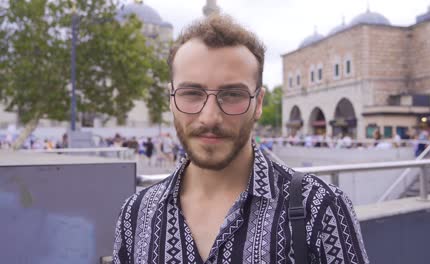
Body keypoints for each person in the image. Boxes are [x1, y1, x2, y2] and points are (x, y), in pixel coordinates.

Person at [113, 15, 368, 264]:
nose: (210, 117)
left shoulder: (320, 208)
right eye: (191, 93)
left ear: (258, 103)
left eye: (232, 94)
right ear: (171, 99)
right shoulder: (135, 214)